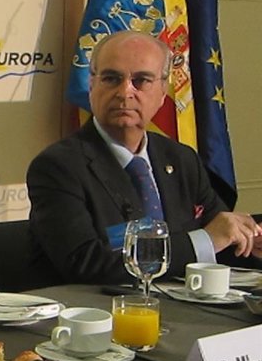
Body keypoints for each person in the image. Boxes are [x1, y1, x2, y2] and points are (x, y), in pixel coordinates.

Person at [27, 30, 261, 284]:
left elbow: (218, 239)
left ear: (162, 92)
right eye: (111, 78)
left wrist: (251, 243)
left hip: (182, 303)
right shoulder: (58, 167)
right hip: (102, 305)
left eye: (141, 80)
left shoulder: (182, 159)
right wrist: (206, 239)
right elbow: (86, 262)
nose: (125, 92)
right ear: (91, 85)